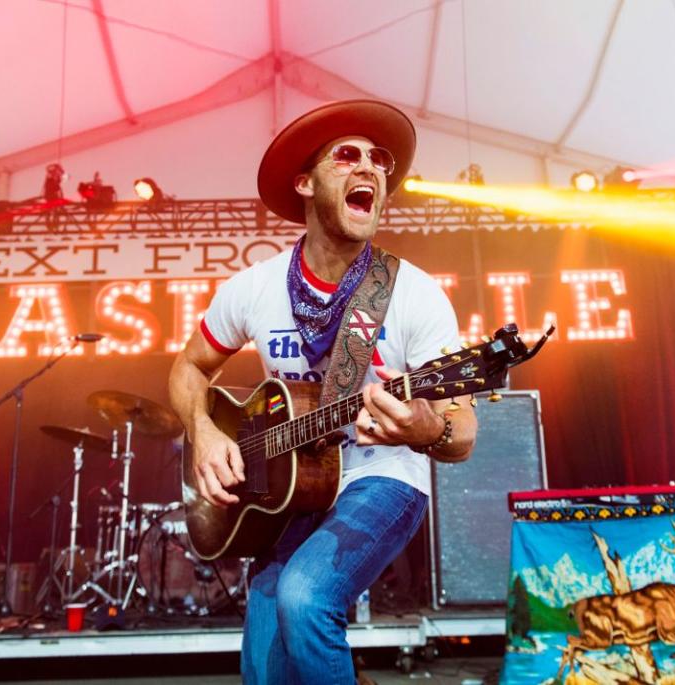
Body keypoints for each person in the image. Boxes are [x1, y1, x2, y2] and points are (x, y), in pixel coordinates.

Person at [168, 99, 477, 684]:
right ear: (306, 183)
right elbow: (188, 368)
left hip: (382, 475)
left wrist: (425, 428)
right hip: (291, 488)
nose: (370, 169)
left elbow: (462, 430)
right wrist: (204, 432)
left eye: (379, 159)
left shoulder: (412, 293)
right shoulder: (254, 288)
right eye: (347, 155)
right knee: (264, 657)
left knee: (305, 598)